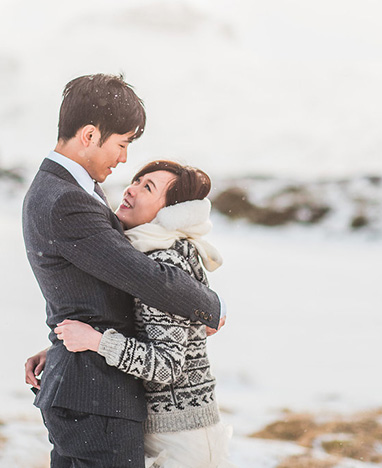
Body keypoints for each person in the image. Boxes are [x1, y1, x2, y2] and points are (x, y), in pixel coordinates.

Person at [22, 73, 224, 468]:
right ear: (90, 135)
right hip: (97, 397)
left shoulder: (72, 189)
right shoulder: (65, 199)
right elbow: (142, 277)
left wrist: (59, 347)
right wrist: (211, 307)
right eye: (122, 144)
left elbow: (93, 295)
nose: (124, 159)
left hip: (90, 388)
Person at [53, 161, 233, 468]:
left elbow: (167, 366)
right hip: (173, 430)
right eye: (137, 180)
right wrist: (60, 346)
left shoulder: (165, 262)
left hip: (181, 438)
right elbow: (147, 329)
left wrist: (96, 342)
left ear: (169, 212)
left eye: (147, 187)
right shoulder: (150, 254)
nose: (131, 189)